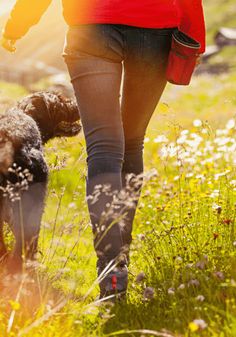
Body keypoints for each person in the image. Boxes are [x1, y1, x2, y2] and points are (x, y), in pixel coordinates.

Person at [1, 0, 205, 300]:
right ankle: (120, 257)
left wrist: (17, 26)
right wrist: (193, 35)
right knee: (132, 142)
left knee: (104, 147)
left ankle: (111, 274)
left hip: (91, 25)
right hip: (155, 27)